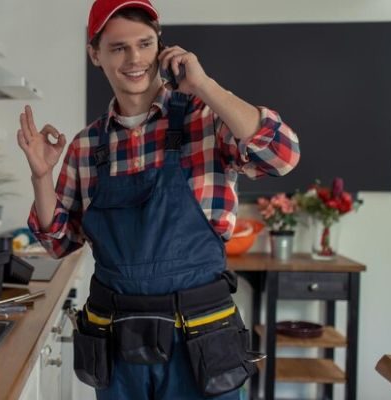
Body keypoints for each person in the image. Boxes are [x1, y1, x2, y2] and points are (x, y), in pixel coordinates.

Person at [16, 0, 300, 399]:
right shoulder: (87, 146)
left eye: (145, 44)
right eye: (118, 47)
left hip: (201, 342)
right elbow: (58, 243)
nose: (134, 58)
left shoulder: (206, 119)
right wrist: (41, 177)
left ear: (161, 48)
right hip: (117, 341)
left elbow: (282, 156)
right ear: (95, 54)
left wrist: (203, 85)